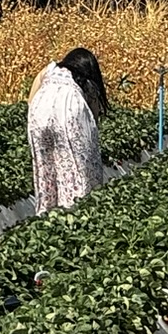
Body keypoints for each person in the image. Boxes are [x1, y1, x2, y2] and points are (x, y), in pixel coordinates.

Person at [27, 47, 109, 211]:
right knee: (79, 165)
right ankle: (77, 207)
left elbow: (31, 100)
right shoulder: (86, 82)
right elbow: (93, 117)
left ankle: (46, 210)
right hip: (69, 112)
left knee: (45, 166)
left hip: (39, 113)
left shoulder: (48, 70)